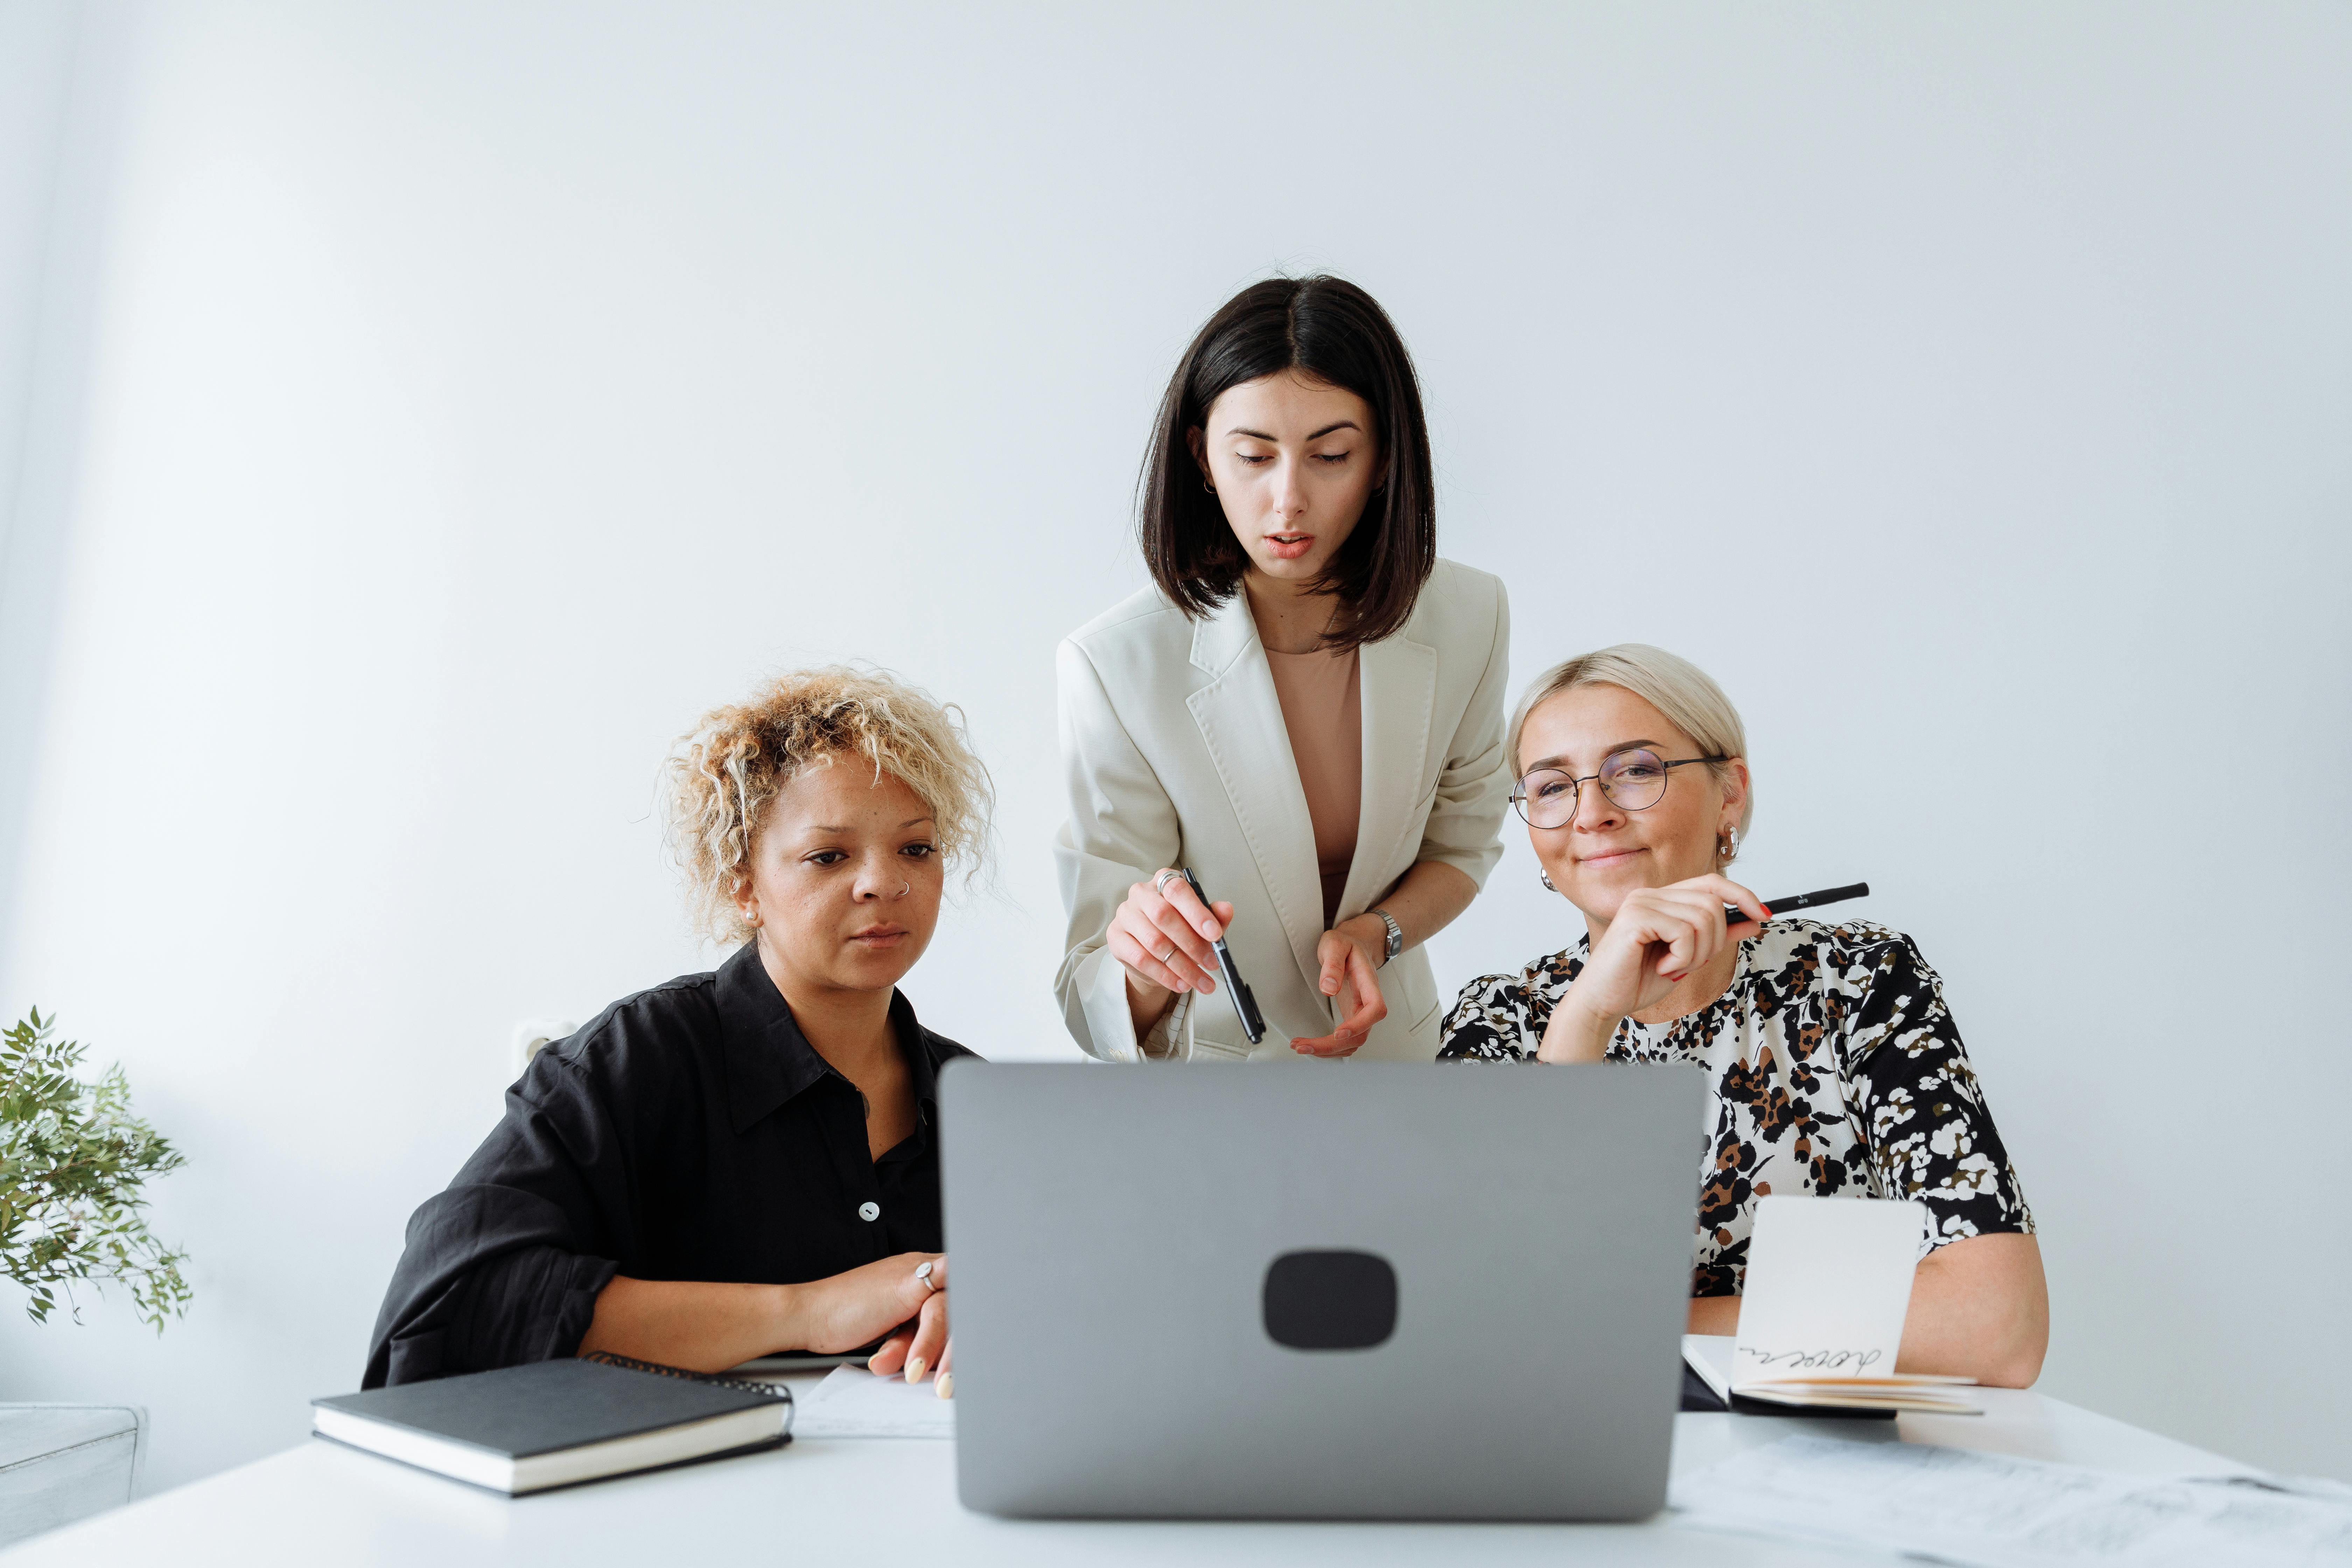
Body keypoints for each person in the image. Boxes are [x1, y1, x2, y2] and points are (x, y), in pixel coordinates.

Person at [363, 667, 992, 1393]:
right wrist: (808, 1311)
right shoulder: (629, 1062)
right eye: (829, 855)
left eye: (917, 848)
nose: (884, 882)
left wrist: (981, 1315)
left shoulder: (980, 1099)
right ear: (743, 882)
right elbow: (453, 1302)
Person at [1440, 644, 2047, 1386]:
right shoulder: (1501, 1016)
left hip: (1822, 1442)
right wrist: (1587, 1017)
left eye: (1636, 770)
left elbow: (1997, 1326)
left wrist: (1614, 1323)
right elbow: (1468, 1316)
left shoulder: (1859, 980)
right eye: (1552, 786)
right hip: (1578, 1433)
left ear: (1729, 793)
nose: (1592, 814)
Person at [1055, 275, 1512, 1063]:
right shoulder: (1116, 666)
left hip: (1398, 1065)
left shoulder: (1470, 616)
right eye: (1253, 456)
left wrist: (1380, 932)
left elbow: (1462, 846)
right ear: (1202, 457)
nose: (1288, 499)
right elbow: (1089, 995)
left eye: (1331, 455)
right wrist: (1149, 957)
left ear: (1383, 460)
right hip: (1224, 1084)